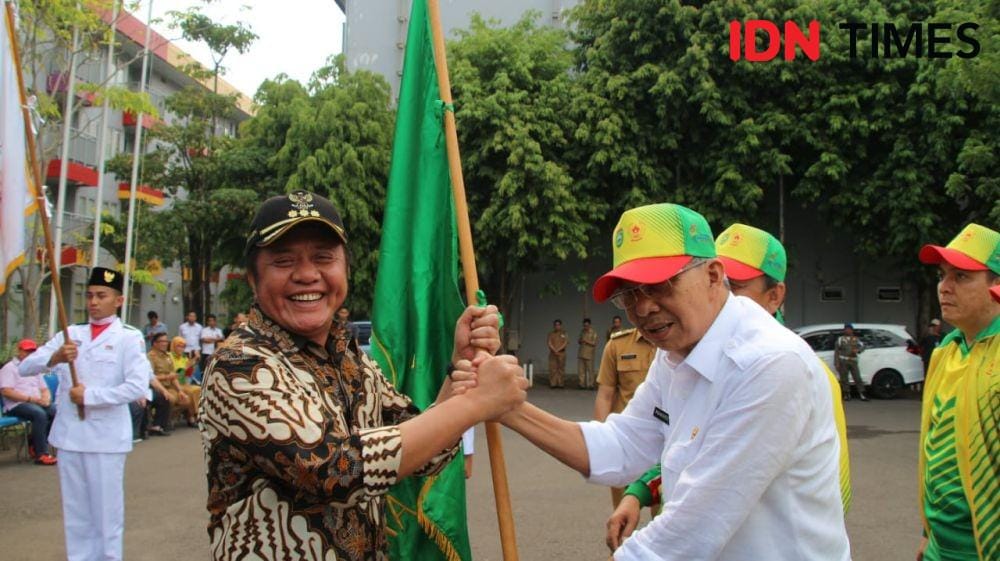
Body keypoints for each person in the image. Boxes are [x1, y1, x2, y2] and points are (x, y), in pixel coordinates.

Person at [499, 203, 850, 560]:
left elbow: (692, 532)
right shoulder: (675, 354)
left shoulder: (767, 364)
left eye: (660, 285)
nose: (644, 308)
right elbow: (621, 445)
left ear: (713, 275)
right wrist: (507, 409)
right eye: (630, 294)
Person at [198, 190, 527, 560]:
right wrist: (476, 405)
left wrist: (460, 367)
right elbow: (333, 469)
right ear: (253, 281)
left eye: (324, 258)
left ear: (346, 271)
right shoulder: (240, 364)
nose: (307, 275)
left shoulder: (350, 359)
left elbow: (424, 446)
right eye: (283, 260)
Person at [606, 223, 854, 548]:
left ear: (775, 295)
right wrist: (640, 490)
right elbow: (678, 446)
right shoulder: (692, 356)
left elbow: (835, 486)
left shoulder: (787, 368)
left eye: (734, 284)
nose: (720, 290)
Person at [19, 266, 151, 561]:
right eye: (90, 295)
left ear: (118, 300)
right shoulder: (70, 333)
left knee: (106, 514)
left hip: (104, 438)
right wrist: (55, 356)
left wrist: (89, 396)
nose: (93, 302)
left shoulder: (129, 338)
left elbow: (135, 387)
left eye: (101, 295)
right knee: (76, 514)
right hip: (70, 436)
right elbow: (25, 367)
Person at [915, 223, 999, 561]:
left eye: (961, 277)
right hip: (939, 548)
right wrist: (926, 533)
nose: (944, 288)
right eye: (942, 275)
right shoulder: (945, 353)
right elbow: (932, 450)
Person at [593, 322, 655, 508]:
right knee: (622, 514)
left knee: (662, 513)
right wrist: (600, 440)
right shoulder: (617, 345)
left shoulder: (677, 343)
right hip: (625, 441)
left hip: (664, 440)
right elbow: (605, 395)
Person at [0, 339, 58, 465]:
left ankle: (34, 443)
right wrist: (31, 399)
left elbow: (44, 388)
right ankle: (41, 454)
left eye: (32, 351)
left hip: (36, 402)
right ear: (19, 351)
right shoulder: (9, 368)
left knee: (55, 411)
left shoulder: (34, 368)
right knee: (39, 414)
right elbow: (6, 392)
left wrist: (46, 398)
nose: (29, 354)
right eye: (27, 351)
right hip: (16, 404)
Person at [146, 332, 187, 434]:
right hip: (155, 387)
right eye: (162, 341)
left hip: (169, 386)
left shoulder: (167, 357)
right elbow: (150, 377)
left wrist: (180, 391)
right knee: (169, 397)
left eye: (166, 341)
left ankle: (169, 420)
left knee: (186, 398)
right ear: (155, 343)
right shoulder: (150, 356)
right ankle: (159, 424)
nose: (165, 343)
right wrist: (166, 377)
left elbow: (174, 377)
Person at [170, 336, 200, 424]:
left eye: (183, 347)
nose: (181, 349)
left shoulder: (184, 357)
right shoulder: (169, 357)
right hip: (173, 383)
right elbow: (177, 372)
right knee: (189, 392)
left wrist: (193, 363)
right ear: (173, 346)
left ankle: (196, 414)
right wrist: (188, 366)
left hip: (183, 382)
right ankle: (191, 417)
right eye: (178, 346)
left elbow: (188, 374)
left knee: (198, 389)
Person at [835, 323, 868, 400]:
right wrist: (836, 363)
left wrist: (858, 350)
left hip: (853, 361)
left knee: (857, 377)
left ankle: (862, 393)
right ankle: (847, 394)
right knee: (844, 378)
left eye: (849, 329)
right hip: (843, 360)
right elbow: (836, 352)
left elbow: (863, 346)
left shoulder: (856, 339)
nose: (847, 330)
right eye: (846, 329)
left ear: (852, 330)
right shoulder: (840, 339)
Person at [577, 318, 598, 389]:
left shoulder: (593, 333)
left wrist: (586, 341)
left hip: (589, 354)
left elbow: (594, 343)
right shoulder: (582, 332)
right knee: (581, 370)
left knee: (590, 370)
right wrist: (581, 340)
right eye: (584, 326)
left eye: (587, 325)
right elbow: (579, 340)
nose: (585, 327)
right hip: (581, 353)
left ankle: (591, 384)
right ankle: (581, 384)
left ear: (589, 325)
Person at [547, 319, 568, 388]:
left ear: (561, 326)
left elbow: (565, 343)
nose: (557, 326)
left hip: (561, 353)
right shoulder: (551, 334)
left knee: (561, 369)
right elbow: (549, 342)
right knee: (553, 368)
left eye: (558, 325)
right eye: (555, 325)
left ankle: (560, 383)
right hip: (553, 353)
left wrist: (558, 349)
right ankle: (553, 383)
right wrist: (554, 350)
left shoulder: (564, 333)